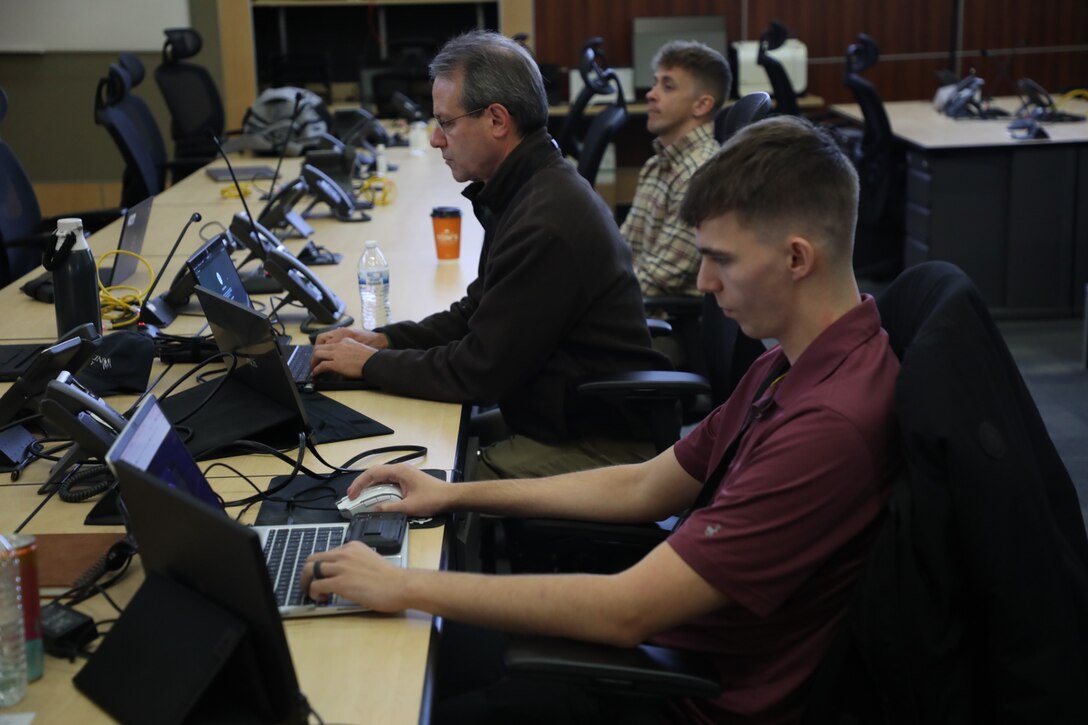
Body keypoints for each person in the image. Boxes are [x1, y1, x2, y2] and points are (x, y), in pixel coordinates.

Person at [303, 116, 902, 723]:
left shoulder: (828, 426)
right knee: (401, 656)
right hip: (659, 654)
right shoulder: (789, 363)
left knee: (379, 690)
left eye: (721, 259)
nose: (704, 282)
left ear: (797, 258)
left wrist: (402, 584)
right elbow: (645, 484)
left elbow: (625, 611)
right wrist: (452, 493)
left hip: (679, 698)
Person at [311, 31, 668, 479]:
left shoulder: (544, 218)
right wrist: (384, 341)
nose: (436, 139)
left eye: (447, 123)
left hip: (595, 443)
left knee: (418, 485)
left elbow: (477, 372)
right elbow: (476, 312)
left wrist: (370, 364)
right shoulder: (525, 188)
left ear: (497, 120)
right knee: (403, 448)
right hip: (555, 412)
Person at [622, 40, 730, 298]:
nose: (651, 94)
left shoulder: (700, 173)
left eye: (667, 86)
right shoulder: (656, 164)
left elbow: (664, 277)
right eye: (655, 83)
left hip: (663, 315)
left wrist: (593, 294)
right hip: (632, 299)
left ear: (701, 105)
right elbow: (621, 248)